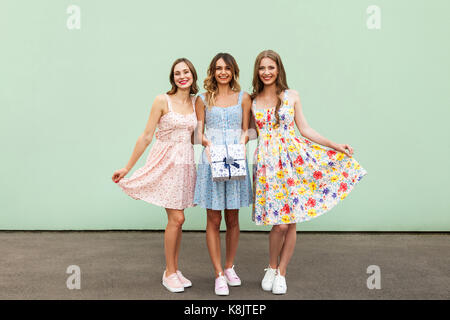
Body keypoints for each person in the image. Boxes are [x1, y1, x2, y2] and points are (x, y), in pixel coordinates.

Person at [247, 50, 368, 295]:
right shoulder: (252, 100)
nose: (267, 72)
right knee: (278, 224)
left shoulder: (291, 96)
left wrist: (335, 145)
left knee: (290, 221)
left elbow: (305, 129)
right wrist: (223, 142)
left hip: (293, 160)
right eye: (262, 68)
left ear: (278, 69)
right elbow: (250, 133)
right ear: (257, 72)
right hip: (267, 164)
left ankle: (281, 272)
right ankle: (271, 267)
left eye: (271, 67)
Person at [111, 58, 199, 293]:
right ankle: (169, 273)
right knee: (177, 219)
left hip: (185, 164)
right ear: (173, 78)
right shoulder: (162, 100)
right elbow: (147, 135)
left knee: (179, 220)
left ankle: (174, 269)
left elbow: (197, 137)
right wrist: (127, 167)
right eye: (177, 73)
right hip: (164, 163)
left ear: (193, 75)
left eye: (186, 72)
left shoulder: (195, 102)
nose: (182, 76)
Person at [193, 53, 253, 296]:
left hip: (235, 158)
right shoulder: (203, 99)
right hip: (212, 158)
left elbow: (247, 129)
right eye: (218, 68)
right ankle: (218, 273)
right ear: (212, 71)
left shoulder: (244, 97)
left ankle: (230, 267)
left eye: (227, 68)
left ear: (233, 71)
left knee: (233, 217)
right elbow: (199, 132)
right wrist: (207, 142)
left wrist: (242, 140)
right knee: (214, 218)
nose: (223, 72)